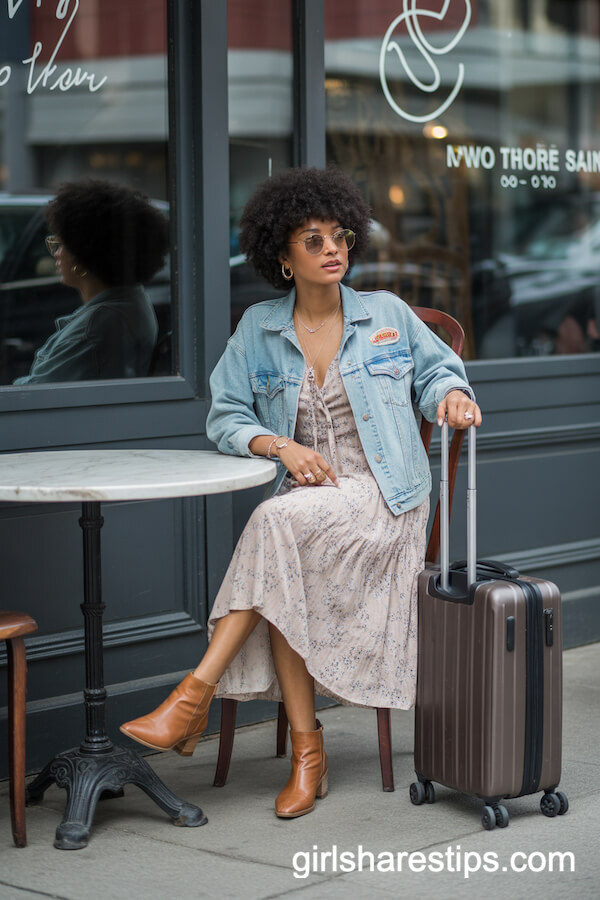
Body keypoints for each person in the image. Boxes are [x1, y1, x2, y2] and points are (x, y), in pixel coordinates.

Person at [121, 166, 482, 818]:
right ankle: (306, 752)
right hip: (306, 504)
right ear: (282, 256)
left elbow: (438, 374)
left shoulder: (387, 314)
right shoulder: (259, 329)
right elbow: (226, 416)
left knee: (274, 524)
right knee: (283, 548)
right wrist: (279, 446)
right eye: (313, 240)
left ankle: (193, 696)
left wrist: (451, 396)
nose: (332, 249)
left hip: (385, 499)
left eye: (340, 235)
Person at [13, 179, 169, 384]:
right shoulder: (130, 300)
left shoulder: (95, 329)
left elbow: (35, 394)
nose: (56, 254)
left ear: (83, 254)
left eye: (61, 244)